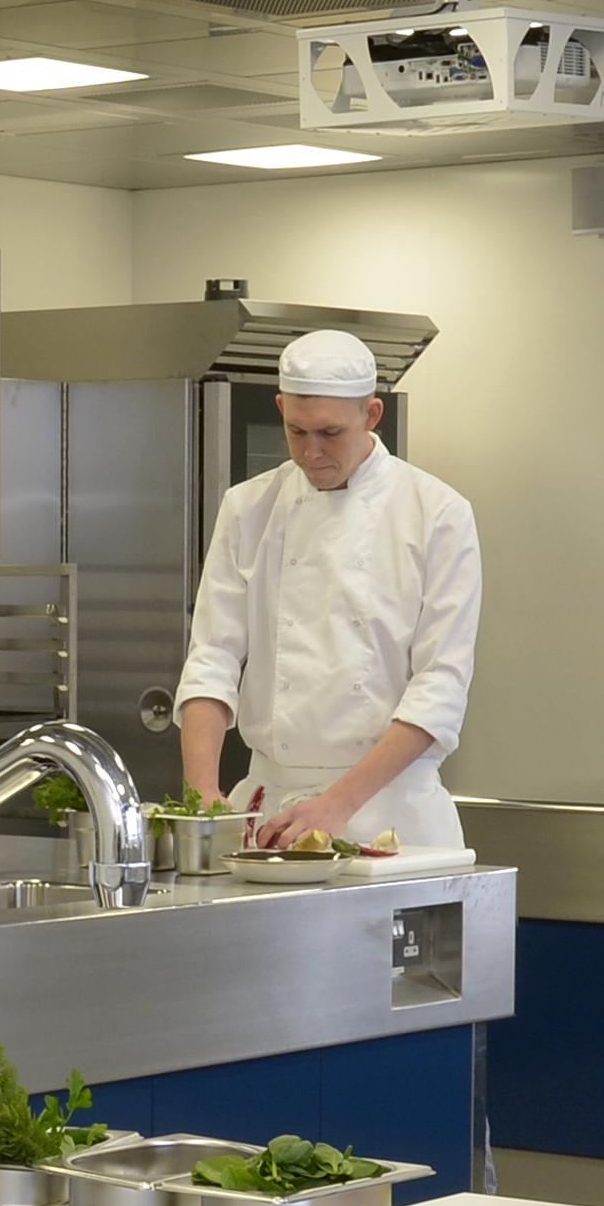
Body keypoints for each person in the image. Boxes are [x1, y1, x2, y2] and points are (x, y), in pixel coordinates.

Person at [175, 327, 483, 852]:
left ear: (372, 414)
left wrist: (337, 804)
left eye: (330, 433)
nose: (310, 451)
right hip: (272, 813)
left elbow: (440, 688)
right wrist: (202, 793)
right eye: (296, 431)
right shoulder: (249, 507)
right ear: (280, 407)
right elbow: (213, 656)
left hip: (392, 816)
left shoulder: (437, 514)